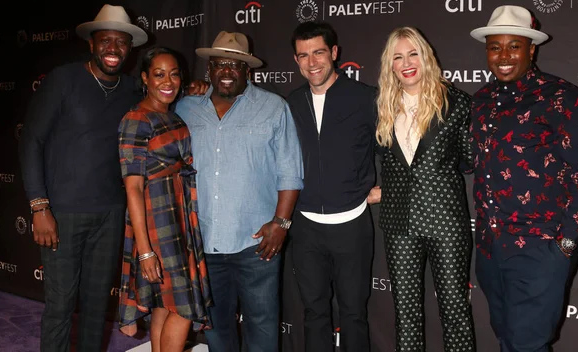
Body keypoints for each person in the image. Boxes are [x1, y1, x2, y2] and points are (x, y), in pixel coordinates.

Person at [19, 4, 147, 351]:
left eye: (121, 43)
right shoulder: (63, 80)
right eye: (105, 41)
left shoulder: (133, 90)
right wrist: (39, 205)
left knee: (95, 307)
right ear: (92, 44)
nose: (113, 49)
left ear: (129, 48)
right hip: (61, 212)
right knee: (61, 305)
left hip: (109, 214)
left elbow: (167, 103)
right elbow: (32, 139)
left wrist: (195, 89)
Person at [469, 5, 578, 352]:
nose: (504, 56)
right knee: (507, 339)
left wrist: (567, 242)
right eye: (495, 47)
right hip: (490, 248)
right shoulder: (481, 101)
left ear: (531, 48)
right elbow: (472, 161)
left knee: (528, 345)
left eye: (514, 46)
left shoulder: (564, 100)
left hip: (541, 248)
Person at [175, 31, 303, 352]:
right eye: (220, 64)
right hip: (204, 242)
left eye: (236, 64)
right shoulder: (186, 109)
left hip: (257, 244)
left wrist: (281, 223)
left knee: (262, 327)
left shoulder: (274, 108)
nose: (227, 71)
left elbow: (290, 172)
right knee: (217, 330)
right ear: (209, 69)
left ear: (248, 70)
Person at [369, 26, 475, 351]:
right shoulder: (383, 107)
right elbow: (390, 164)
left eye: (413, 53)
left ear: (425, 56)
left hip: (447, 222)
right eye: (398, 56)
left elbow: (469, 160)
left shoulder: (456, 103)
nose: (406, 62)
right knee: (407, 314)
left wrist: (432, 181)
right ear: (390, 64)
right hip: (399, 224)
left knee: (455, 311)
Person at [287, 21, 377, 351]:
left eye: (319, 52)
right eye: (303, 55)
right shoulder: (291, 103)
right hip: (306, 227)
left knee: (354, 314)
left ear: (334, 53)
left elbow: (394, 151)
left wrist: (383, 188)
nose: (312, 63)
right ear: (296, 60)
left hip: (352, 225)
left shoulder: (366, 98)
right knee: (314, 313)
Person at [117, 47, 212, 352]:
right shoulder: (136, 119)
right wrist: (144, 251)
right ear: (145, 78)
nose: (168, 81)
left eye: (174, 73)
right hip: (157, 227)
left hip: (180, 219)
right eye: (159, 74)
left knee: (164, 304)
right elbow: (132, 188)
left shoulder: (172, 115)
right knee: (183, 307)